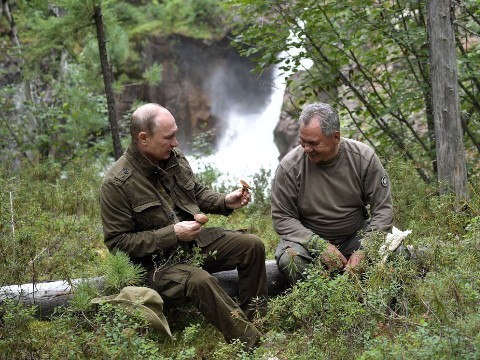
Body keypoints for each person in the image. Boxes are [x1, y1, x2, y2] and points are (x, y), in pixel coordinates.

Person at [99, 103, 267, 350]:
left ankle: (254, 321)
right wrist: (173, 234)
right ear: (143, 138)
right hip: (156, 265)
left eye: (175, 134)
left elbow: (194, 193)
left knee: (252, 245)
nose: (176, 142)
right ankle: (251, 344)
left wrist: (224, 201)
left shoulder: (172, 157)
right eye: (169, 137)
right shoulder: (116, 184)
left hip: (192, 245)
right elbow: (118, 244)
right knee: (200, 280)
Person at [271, 102, 395, 285]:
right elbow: (282, 217)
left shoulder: (363, 158)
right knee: (290, 259)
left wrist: (365, 250)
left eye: (313, 143)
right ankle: (323, 306)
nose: (306, 149)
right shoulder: (289, 167)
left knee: (396, 251)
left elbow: (383, 210)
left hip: (355, 236)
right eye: (302, 141)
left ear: (336, 137)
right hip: (308, 242)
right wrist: (319, 246)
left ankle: (373, 304)